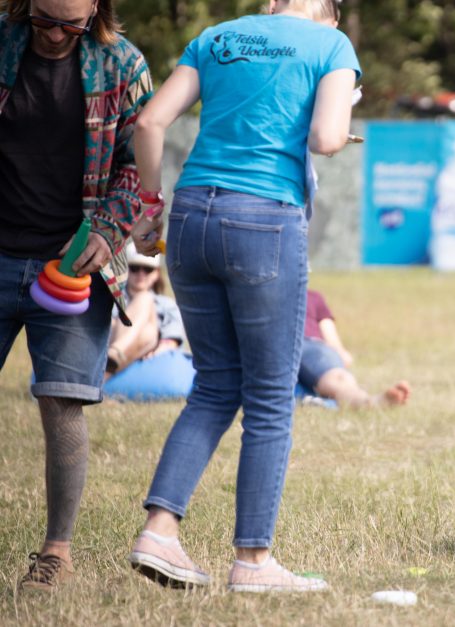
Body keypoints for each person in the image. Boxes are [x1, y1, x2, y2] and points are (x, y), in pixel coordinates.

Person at [127, 0, 359, 593]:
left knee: (214, 386)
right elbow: (327, 138)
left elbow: (150, 124)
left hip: (192, 215)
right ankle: (253, 563)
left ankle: (159, 532)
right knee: (271, 398)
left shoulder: (218, 36)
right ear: (326, 11)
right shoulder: (329, 44)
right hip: (263, 220)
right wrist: (342, 110)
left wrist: (148, 215)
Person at [0, 0, 152, 591]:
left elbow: (140, 163)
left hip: (72, 265)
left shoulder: (121, 64)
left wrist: (110, 231)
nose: (57, 35)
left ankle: (55, 552)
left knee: (62, 404)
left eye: (72, 23)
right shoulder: (4, 45)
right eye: (45, 21)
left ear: (96, 9)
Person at [300, 289, 410, 408]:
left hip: (309, 345)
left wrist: (340, 353)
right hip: (280, 347)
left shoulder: (312, 297)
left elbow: (331, 338)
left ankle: (367, 402)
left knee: (337, 377)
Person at [105, 242, 184, 376]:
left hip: (147, 351)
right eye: (135, 268)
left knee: (145, 300)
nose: (141, 274)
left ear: (156, 273)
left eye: (147, 269)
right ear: (125, 269)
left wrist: (164, 347)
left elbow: (173, 338)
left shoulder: (167, 305)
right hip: (113, 341)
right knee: (145, 330)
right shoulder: (109, 298)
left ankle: (114, 355)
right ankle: (115, 354)